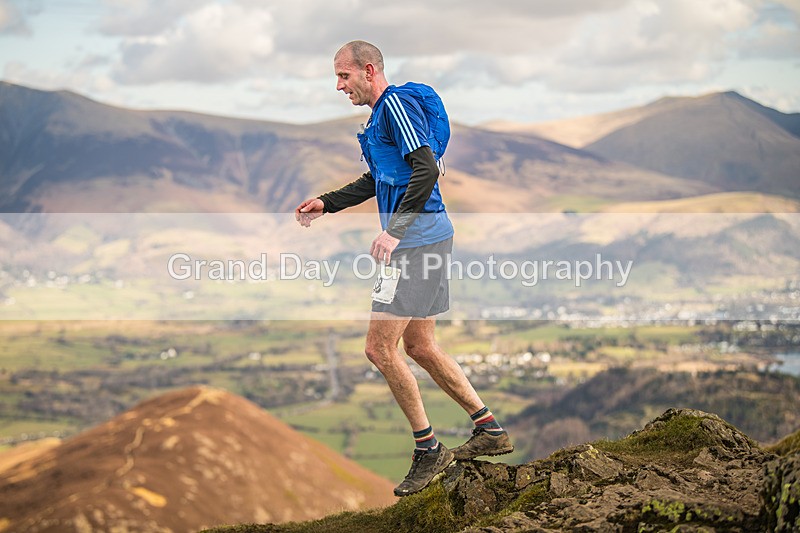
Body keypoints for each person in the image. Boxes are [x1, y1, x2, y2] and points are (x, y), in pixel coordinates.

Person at [294, 40, 513, 497]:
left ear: (369, 70)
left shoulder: (394, 106)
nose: (338, 86)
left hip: (414, 244)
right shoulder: (380, 118)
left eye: (344, 76)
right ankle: (489, 429)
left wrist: (394, 232)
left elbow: (426, 169)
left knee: (380, 349)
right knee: (419, 344)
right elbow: (379, 179)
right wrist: (327, 203)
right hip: (427, 238)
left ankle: (428, 448)